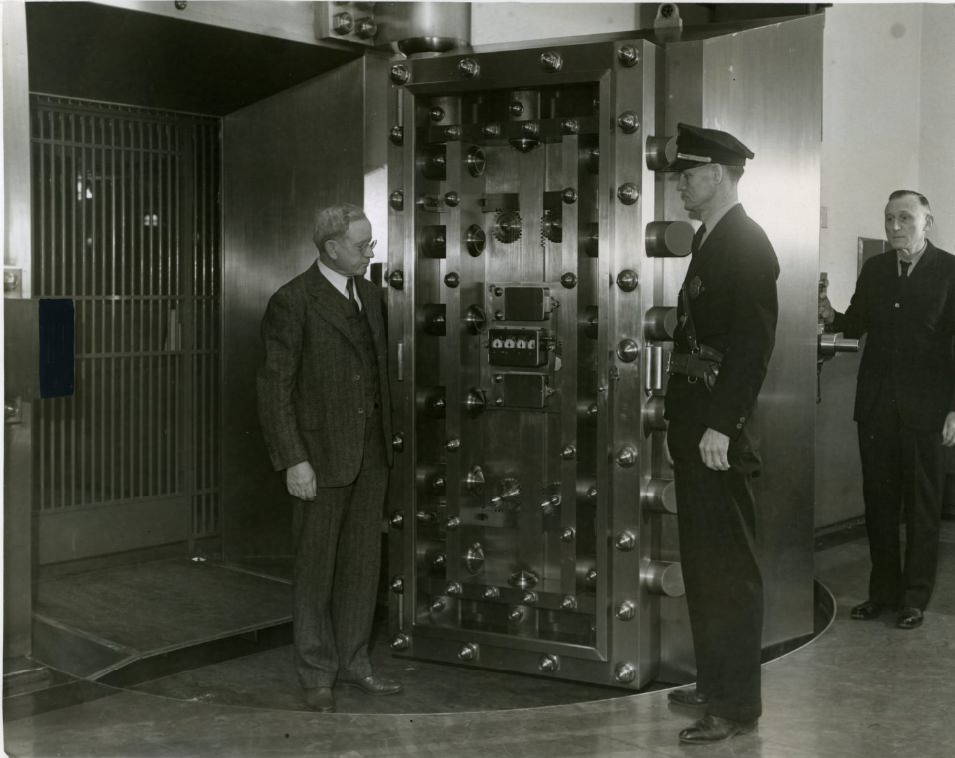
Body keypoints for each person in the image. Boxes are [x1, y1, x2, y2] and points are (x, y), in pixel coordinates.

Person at [661, 123, 779, 745]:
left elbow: (752, 348)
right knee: (705, 566)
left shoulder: (747, 244)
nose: (681, 184)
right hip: (698, 427)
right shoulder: (713, 241)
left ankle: (736, 706)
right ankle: (714, 682)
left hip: (716, 432)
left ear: (722, 175)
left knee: (729, 570)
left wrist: (721, 426)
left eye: (689, 174)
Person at [257, 203, 400, 713]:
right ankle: (317, 672)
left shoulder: (372, 296)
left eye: (370, 244)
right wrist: (294, 460)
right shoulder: (293, 301)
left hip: (370, 457)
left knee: (364, 566)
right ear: (332, 248)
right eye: (363, 246)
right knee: (316, 569)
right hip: (319, 458)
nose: (370, 252)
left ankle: (356, 662)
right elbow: (275, 389)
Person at [819, 190, 955, 630]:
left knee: (921, 507)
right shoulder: (876, 269)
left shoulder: (951, 271)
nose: (895, 227)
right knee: (878, 502)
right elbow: (856, 322)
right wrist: (829, 313)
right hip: (876, 407)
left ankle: (914, 597)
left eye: (905, 218)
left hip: (927, 410)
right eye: (889, 219)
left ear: (927, 221)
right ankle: (882, 593)